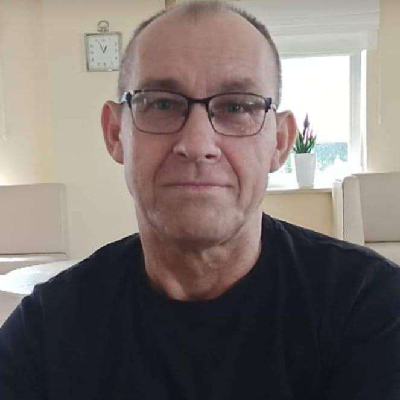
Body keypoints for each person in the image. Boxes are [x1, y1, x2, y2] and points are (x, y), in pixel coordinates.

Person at [1, 2, 400, 399]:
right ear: (115, 133)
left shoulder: (371, 307)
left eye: (236, 106)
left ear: (280, 142)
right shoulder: (47, 331)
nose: (196, 145)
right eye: (160, 103)